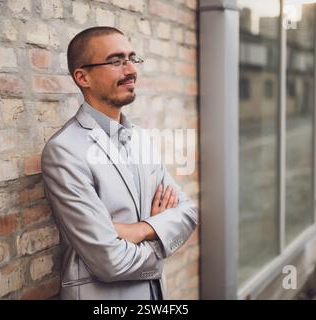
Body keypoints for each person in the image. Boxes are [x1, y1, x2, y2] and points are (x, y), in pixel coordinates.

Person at [41, 26, 198, 300]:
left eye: (132, 58)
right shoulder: (64, 151)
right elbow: (110, 261)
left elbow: (188, 212)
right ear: (82, 77)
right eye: (116, 61)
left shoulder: (140, 138)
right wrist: (162, 234)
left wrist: (140, 230)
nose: (130, 70)